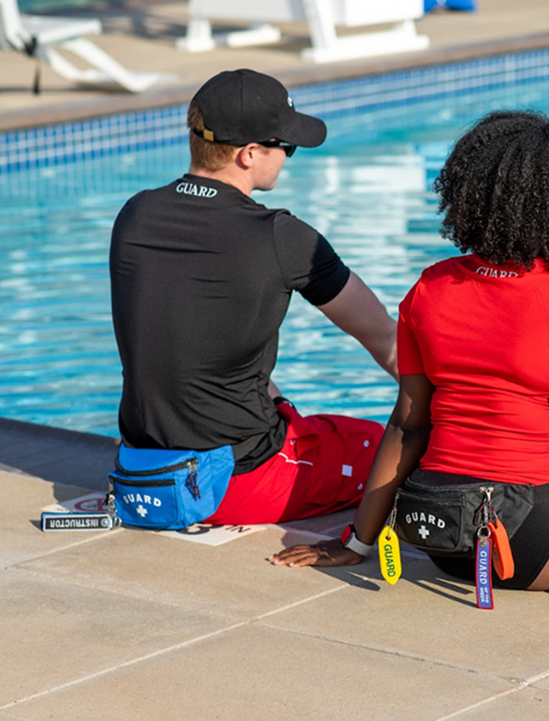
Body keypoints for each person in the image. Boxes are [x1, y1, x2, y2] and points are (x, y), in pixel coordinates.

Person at [270, 110, 549, 635]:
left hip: (437, 536)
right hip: (529, 550)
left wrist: (356, 543)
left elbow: (407, 426)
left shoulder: (429, 288)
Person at [110, 69, 396, 526]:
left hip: (140, 472)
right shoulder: (282, 237)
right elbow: (388, 342)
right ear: (248, 155)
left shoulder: (134, 215)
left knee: (278, 399)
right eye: (286, 146)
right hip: (232, 484)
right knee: (382, 448)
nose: (287, 156)